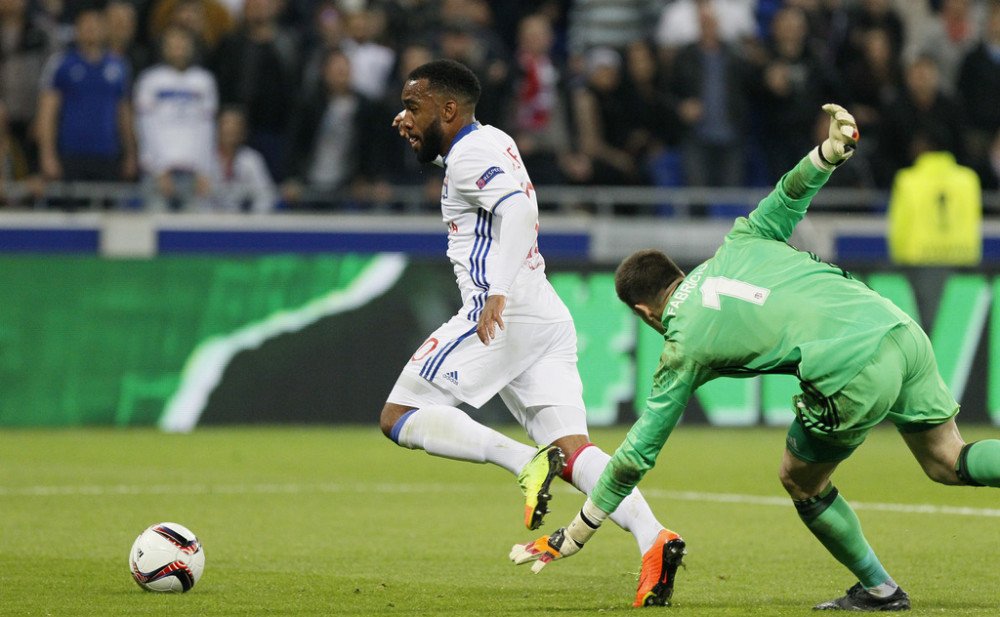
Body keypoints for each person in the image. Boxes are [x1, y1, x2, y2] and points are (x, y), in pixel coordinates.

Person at [511, 103, 1000, 610]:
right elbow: (790, 194)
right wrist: (827, 153)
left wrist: (576, 531)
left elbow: (636, 455)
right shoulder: (741, 240)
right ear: (678, 274)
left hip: (848, 368)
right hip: (899, 329)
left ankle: (880, 590)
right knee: (949, 460)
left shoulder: (684, 345)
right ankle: (881, 588)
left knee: (801, 480)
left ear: (643, 312)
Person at [382, 59, 685, 608]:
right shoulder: (492, 139)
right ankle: (653, 537)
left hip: (502, 311)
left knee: (399, 414)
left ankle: (522, 461)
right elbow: (500, 195)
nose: (404, 118)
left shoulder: (467, 157)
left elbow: (518, 210)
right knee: (574, 451)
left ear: (447, 110)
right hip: (542, 311)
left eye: (413, 107)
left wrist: (496, 291)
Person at [134, 25, 218, 211]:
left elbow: (207, 128)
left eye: (182, 43)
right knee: (155, 222)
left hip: (194, 172)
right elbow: (145, 126)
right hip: (158, 172)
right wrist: (158, 170)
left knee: (194, 227)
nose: (178, 48)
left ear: (192, 46)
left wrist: (205, 170)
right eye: (172, 43)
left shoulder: (204, 81)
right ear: (164, 47)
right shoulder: (150, 80)